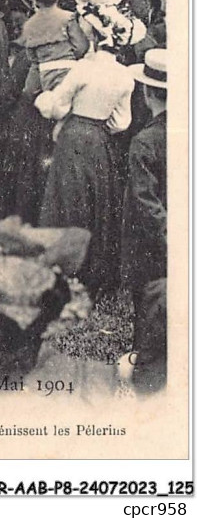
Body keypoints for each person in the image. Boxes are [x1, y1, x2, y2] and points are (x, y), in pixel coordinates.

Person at [36, 0, 142, 295]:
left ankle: (62, 270)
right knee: (97, 203)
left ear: (94, 36)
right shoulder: (125, 77)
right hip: (99, 139)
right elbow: (121, 122)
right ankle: (93, 272)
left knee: (67, 202)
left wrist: (45, 100)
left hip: (74, 135)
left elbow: (57, 107)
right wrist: (101, 121)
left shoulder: (83, 68)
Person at [122, 49, 167, 394]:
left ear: (147, 91)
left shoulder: (146, 141)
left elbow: (144, 200)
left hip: (154, 243)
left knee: (149, 305)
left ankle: (145, 360)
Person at [19, 0, 89, 98]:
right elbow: (81, 46)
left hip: (44, 73)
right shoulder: (68, 17)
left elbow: (32, 56)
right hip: (69, 70)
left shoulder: (29, 25)